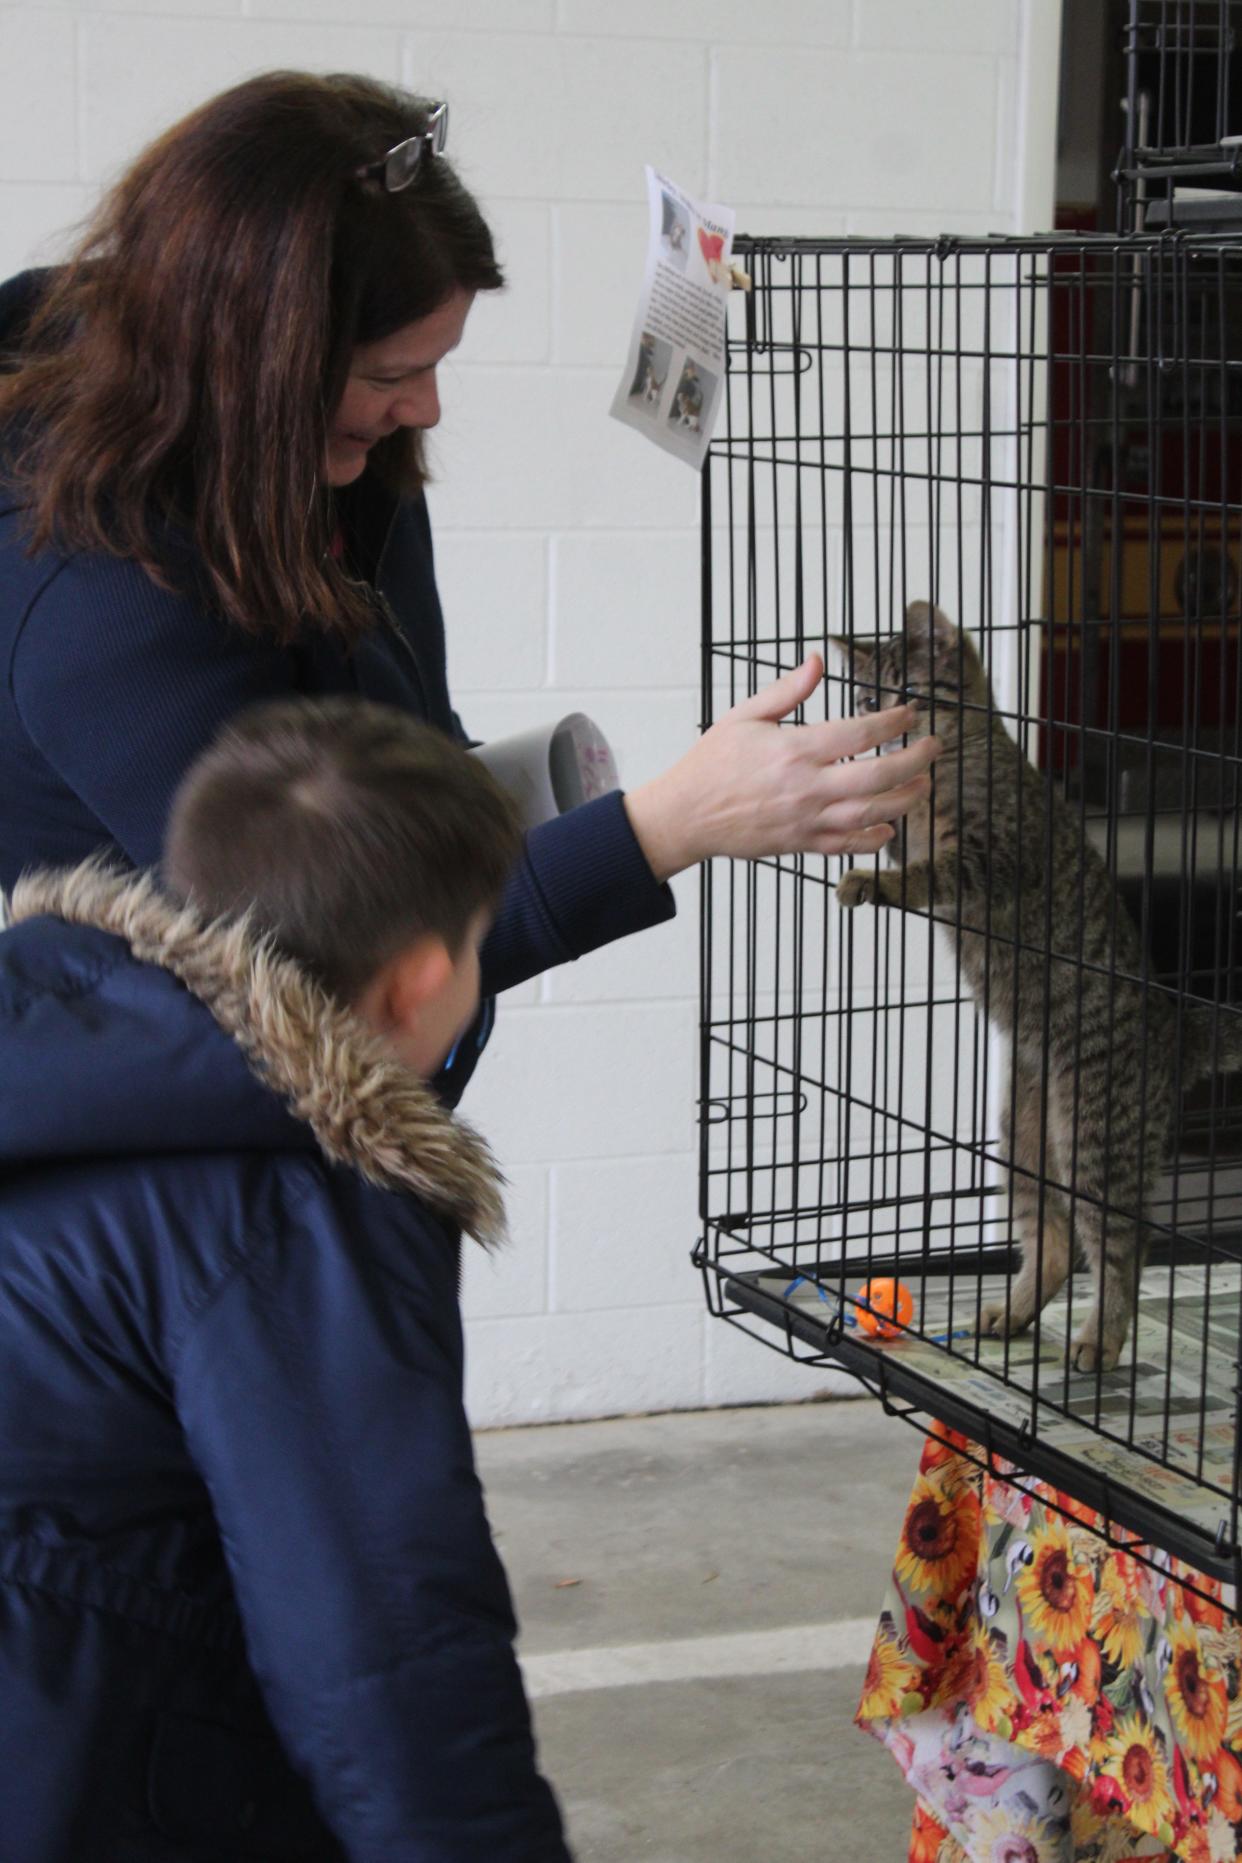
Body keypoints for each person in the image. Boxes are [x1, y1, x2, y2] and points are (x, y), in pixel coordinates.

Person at [0, 70, 937, 1118]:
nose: (425, 406)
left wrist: (488, 798)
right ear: (257, 359)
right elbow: (335, 972)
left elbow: (390, 746)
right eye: (390, 372)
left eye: (437, 364)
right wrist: (668, 825)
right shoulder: (97, 598)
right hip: (171, 1172)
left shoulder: (327, 463)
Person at [0, 697, 582, 1861]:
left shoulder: (57, 1016)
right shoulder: (297, 1207)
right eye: (478, 944)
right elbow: (386, 1659)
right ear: (419, 983)